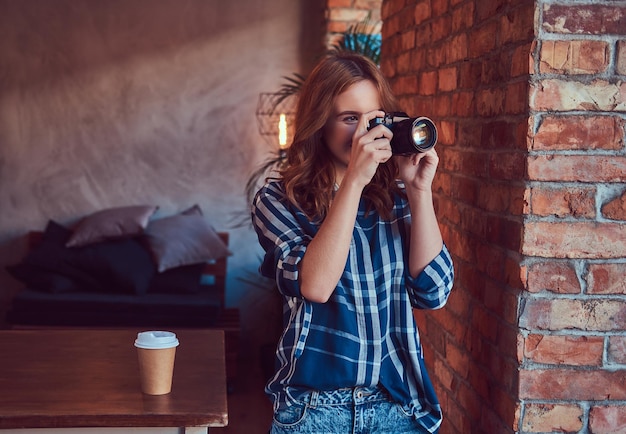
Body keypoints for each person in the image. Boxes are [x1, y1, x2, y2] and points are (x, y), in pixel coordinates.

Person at [251, 52, 454, 434]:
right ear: (319, 125)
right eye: (349, 119)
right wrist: (354, 183)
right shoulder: (279, 199)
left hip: (396, 406)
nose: (365, 133)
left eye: (374, 118)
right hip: (314, 411)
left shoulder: (394, 198)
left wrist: (418, 191)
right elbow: (315, 285)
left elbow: (434, 292)